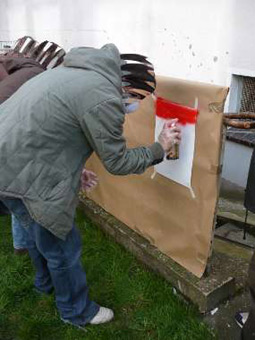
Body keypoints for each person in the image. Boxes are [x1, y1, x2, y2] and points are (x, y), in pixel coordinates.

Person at [0, 43, 181, 329]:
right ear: (125, 85)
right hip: (19, 172)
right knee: (62, 246)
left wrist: (74, 169)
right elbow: (118, 163)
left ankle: (44, 284)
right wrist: (160, 147)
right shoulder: (102, 96)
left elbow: (48, 129)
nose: (133, 106)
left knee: (35, 228)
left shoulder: (74, 72)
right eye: (136, 99)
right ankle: (76, 310)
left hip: (9, 163)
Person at [0, 38, 65, 254]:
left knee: (17, 194)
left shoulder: (12, 66)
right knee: (21, 199)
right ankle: (37, 247)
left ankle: (23, 245)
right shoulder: (36, 76)